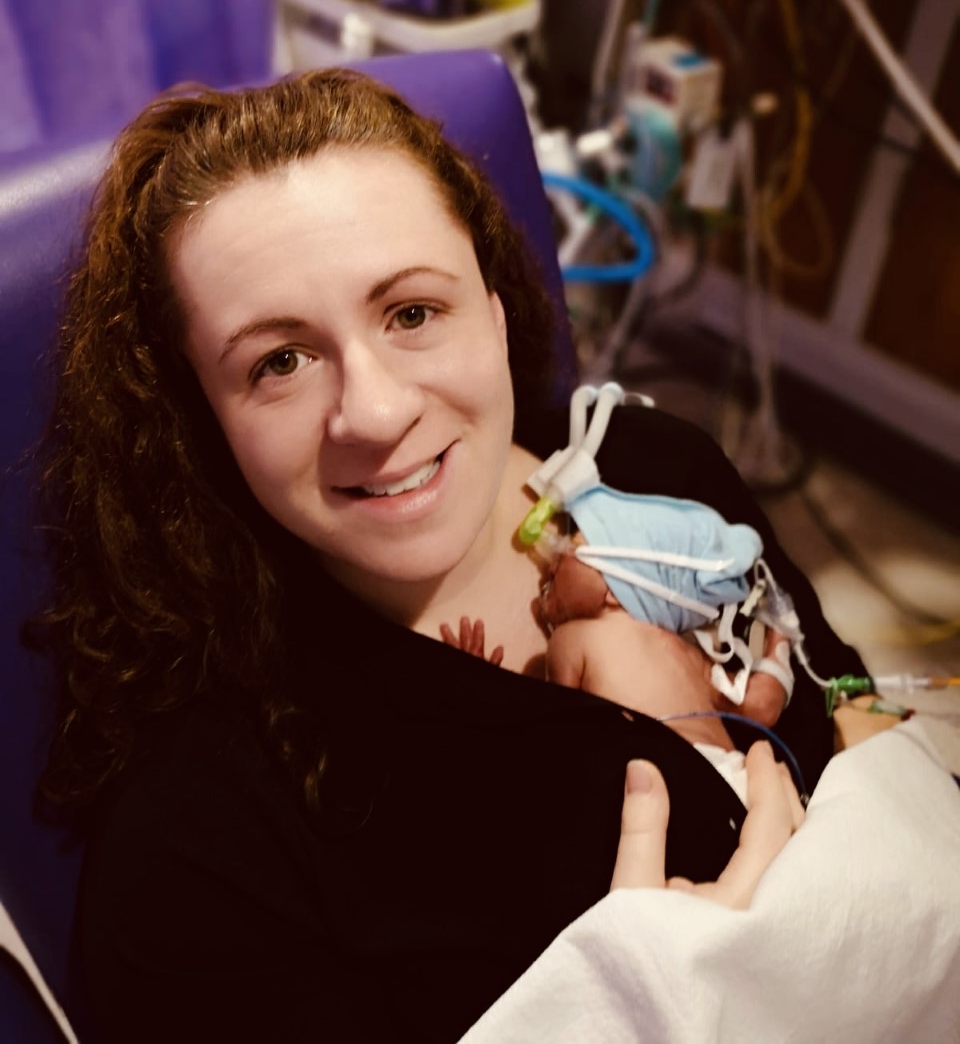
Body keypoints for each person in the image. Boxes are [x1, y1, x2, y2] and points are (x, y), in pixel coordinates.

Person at [31, 67, 866, 1043]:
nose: (376, 411)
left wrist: (875, 737)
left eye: (413, 311)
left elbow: (836, 678)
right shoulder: (204, 840)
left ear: (496, 305)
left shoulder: (656, 464)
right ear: (206, 422)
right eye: (279, 361)